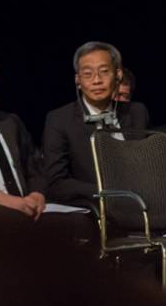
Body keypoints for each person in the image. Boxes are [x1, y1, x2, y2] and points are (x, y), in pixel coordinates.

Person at [43, 41, 149, 207]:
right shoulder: (59, 119)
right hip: (94, 206)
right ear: (77, 81)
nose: (96, 80)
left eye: (104, 72)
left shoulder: (136, 112)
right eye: (87, 74)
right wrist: (107, 192)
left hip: (141, 203)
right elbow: (57, 183)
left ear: (118, 75)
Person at [0, 43, 47, 220]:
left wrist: (37, 194)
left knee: (79, 222)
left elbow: (35, 166)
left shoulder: (11, 122)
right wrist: (3, 199)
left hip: (26, 210)